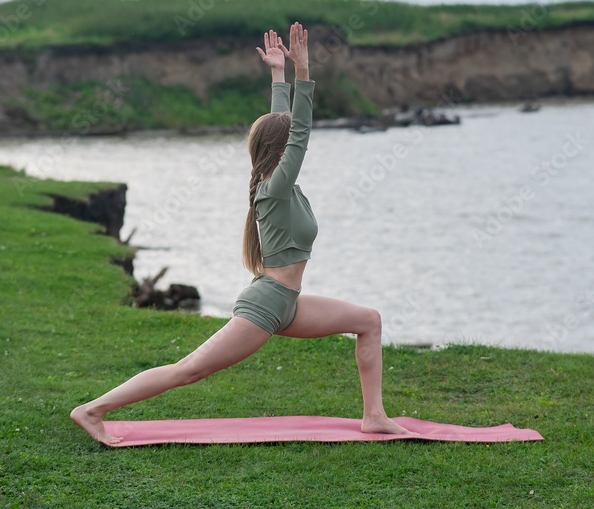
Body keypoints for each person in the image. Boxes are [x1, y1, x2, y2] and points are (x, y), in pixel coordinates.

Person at [71, 22, 410, 445]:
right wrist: (303, 71)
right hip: (267, 304)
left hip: (289, 302)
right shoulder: (275, 186)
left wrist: (276, 75)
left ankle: (374, 415)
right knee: (190, 369)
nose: (298, 148)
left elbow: (284, 127)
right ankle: (92, 409)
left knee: (368, 321)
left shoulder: (276, 181)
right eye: (291, 146)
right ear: (282, 152)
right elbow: (298, 132)